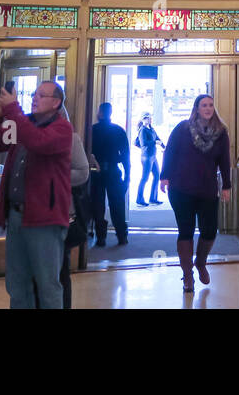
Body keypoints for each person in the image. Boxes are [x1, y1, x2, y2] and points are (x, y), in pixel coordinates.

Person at [0, 79, 72, 309]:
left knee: (48, 285)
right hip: (17, 216)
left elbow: (38, 142)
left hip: (44, 219)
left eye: (42, 95)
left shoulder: (62, 129)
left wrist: (12, 109)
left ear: (56, 102)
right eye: (34, 94)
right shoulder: (23, 124)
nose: (34, 98)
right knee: (17, 284)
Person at [160, 94, 231, 293]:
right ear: (196, 108)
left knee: (209, 230)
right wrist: (164, 176)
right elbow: (170, 151)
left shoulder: (221, 133)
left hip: (207, 189)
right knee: (186, 230)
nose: (208, 108)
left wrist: (227, 185)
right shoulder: (183, 128)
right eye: (203, 105)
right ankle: (188, 275)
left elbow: (225, 161)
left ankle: (200, 262)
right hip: (181, 188)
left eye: (210, 105)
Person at [88, 102, 130, 246]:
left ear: (99, 112)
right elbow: (125, 156)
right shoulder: (118, 130)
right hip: (113, 170)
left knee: (97, 205)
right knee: (117, 205)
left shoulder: (92, 130)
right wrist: (127, 177)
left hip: (96, 172)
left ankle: (101, 237)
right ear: (111, 113)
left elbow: (87, 153)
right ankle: (121, 235)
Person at [60, 128, 91, 309]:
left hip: (60, 217)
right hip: (30, 218)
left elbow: (82, 172)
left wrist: (53, 176)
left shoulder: (70, 138)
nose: (36, 100)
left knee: (59, 273)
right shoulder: (28, 136)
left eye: (41, 96)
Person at [133, 114, 165, 207]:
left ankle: (153, 198)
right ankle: (139, 199)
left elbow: (158, 138)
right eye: (149, 118)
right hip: (146, 157)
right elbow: (143, 143)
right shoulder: (142, 130)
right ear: (144, 119)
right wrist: (155, 142)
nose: (151, 119)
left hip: (153, 156)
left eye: (151, 117)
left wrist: (164, 147)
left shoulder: (151, 128)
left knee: (157, 175)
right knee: (145, 178)